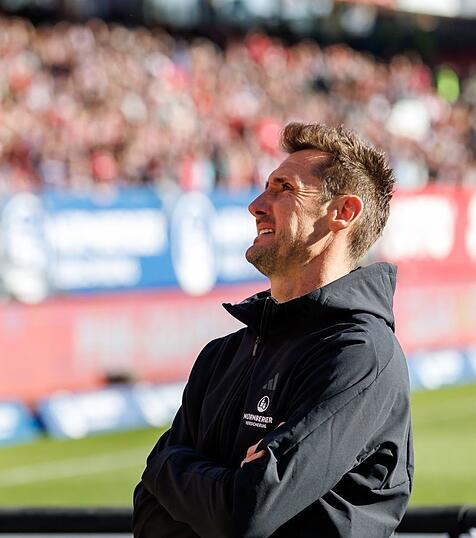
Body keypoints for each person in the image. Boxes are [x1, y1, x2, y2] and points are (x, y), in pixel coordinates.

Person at [132, 123, 412, 537]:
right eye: (266, 186)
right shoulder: (221, 354)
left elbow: (246, 510)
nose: (256, 205)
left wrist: (169, 466)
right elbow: (149, 515)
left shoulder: (358, 354)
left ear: (343, 213)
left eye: (284, 188)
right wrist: (182, 476)